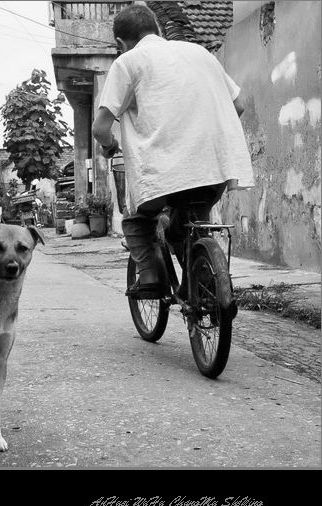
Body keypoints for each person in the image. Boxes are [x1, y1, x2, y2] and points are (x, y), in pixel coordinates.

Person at [92, 4, 254, 298]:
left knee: (137, 221)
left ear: (120, 43)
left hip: (165, 174)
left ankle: (152, 278)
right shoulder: (200, 53)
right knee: (188, 225)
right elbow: (239, 104)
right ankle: (205, 288)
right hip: (215, 167)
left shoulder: (128, 62)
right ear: (157, 29)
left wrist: (109, 147)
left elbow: (100, 129)